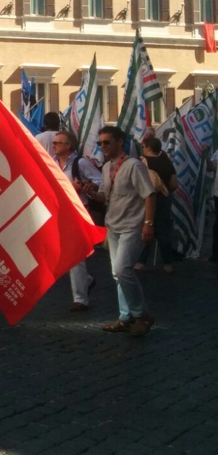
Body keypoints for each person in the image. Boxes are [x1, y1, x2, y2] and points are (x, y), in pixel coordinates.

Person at [92, 126, 157, 337]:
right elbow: (105, 196)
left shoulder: (134, 165)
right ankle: (125, 316)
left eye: (107, 142)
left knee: (122, 270)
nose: (103, 146)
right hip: (114, 226)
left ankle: (141, 315)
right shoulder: (106, 167)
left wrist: (148, 223)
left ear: (120, 142)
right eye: (100, 143)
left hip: (132, 226)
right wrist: (91, 192)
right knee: (117, 273)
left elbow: (149, 195)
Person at [50, 130, 102, 312]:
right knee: (62, 253)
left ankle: (80, 298)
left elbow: (100, 180)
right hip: (60, 213)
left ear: (68, 146)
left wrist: (84, 186)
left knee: (76, 256)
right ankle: (86, 280)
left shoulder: (80, 163)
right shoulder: (53, 163)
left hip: (78, 212)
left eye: (57, 142)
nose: (54, 145)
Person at [137, 136, 179, 274]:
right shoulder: (167, 162)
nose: (143, 148)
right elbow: (174, 184)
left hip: (146, 199)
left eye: (143, 146)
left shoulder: (141, 162)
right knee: (163, 231)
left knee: (146, 228)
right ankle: (167, 263)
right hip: (164, 199)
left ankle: (141, 261)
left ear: (148, 147)